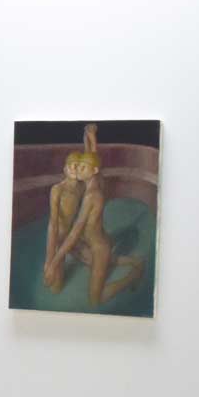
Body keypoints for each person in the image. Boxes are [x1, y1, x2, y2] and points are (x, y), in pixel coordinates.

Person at [43, 124, 143, 307]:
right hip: (91, 240)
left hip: (99, 247)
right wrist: (90, 137)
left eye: (81, 168)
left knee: (95, 300)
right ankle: (132, 261)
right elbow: (92, 160)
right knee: (84, 258)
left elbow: (75, 232)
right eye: (76, 167)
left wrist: (53, 263)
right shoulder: (95, 180)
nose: (77, 170)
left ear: (92, 171)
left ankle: (133, 275)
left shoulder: (91, 195)